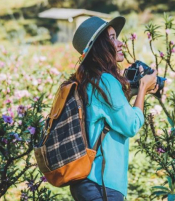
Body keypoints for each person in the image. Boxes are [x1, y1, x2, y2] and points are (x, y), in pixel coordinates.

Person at [67, 16, 158, 201]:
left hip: (86, 183)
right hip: (102, 182)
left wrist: (130, 94)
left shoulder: (89, 80)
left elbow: (107, 116)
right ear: (99, 47)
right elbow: (131, 125)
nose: (120, 43)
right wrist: (142, 88)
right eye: (112, 38)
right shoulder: (106, 81)